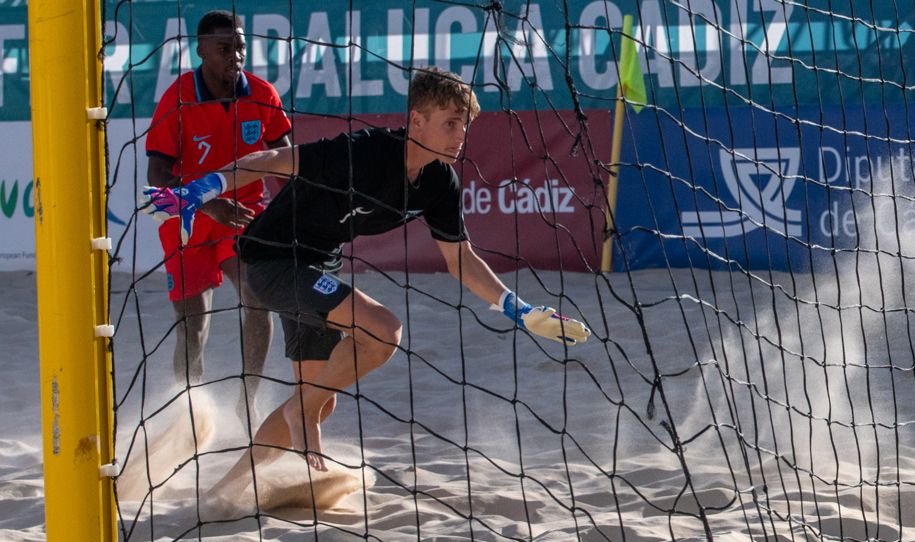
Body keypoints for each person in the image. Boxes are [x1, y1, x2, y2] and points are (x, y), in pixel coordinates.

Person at [144, 68, 588, 475]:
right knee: (383, 330)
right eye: (451, 123)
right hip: (272, 259)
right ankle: (298, 414)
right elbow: (272, 158)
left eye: (465, 125)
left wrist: (519, 310)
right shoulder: (365, 152)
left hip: (317, 263)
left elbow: (461, 260)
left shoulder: (440, 182)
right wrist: (205, 188)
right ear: (417, 121)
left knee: (319, 403)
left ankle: (228, 491)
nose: (461, 136)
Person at [144, 12, 291, 427]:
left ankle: (248, 398)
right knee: (192, 326)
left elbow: (286, 162)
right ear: (201, 51)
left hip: (242, 216)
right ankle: (189, 410)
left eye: (240, 47)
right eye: (225, 48)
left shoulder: (261, 94)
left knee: (258, 298)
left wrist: (295, 211)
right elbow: (156, 178)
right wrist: (208, 204)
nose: (235, 56)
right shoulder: (177, 98)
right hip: (185, 220)